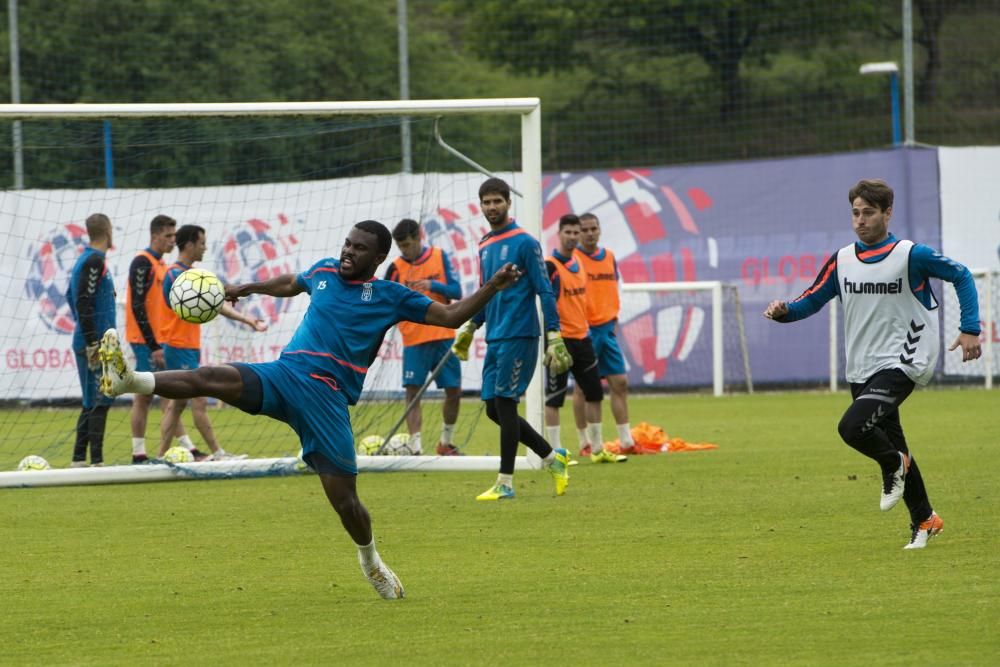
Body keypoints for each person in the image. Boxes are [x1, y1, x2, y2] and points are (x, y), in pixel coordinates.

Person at [98, 219, 522, 599]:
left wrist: (492, 287)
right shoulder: (322, 271)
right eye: (346, 243)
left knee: (345, 502)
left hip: (327, 397)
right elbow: (292, 282)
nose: (347, 252)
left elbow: (450, 316)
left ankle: (371, 561)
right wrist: (248, 288)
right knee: (210, 376)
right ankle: (129, 381)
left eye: (358, 248)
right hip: (285, 374)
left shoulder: (390, 295)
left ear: (377, 257)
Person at [764, 178, 982, 550]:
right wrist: (784, 312)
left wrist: (970, 328)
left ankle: (892, 465)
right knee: (894, 440)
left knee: (852, 428)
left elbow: (960, 274)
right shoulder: (843, 260)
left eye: (868, 212)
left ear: (887, 213)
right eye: (855, 213)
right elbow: (812, 300)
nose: (860, 220)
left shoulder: (911, 254)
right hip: (862, 366)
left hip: (903, 361)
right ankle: (925, 519)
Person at [451, 177, 573, 501]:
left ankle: (505, 482)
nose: (492, 207)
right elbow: (486, 293)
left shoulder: (526, 243)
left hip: (520, 333)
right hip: (495, 335)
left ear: (508, 202)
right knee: (493, 409)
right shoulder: (484, 244)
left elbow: (544, 290)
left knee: (505, 403)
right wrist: (470, 327)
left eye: (497, 201)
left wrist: (554, 333)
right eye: (487, 202)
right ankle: (552, 456)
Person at [157, 224, 267, 461]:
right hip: (176, 344)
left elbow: (213, 301)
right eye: (202, 243)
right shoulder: (176, 274)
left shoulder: (191, 274)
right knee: (196, 400)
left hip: (188, 345)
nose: (205, 248)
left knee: (178, 405)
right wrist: (238, 310)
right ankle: (217, 453)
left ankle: (160, 455)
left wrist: (246, 319)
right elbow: (209, 299)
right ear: (189, 245)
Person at [544, 214, 623, 463]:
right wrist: (551, 337)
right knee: (555, 398)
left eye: (575, 233)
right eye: (567, 232)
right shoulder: (550, 265)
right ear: (559, 234)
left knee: (594, 394)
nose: (573, 237)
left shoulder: (579, 262)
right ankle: (555, 452)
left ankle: (597, 448)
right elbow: (545, 304)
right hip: (560, 340)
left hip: (583, 337)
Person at [384, 218, 463, 456]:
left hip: (443, 335)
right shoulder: (396, 267)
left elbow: (457, 292)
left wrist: (432, 284)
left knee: (454, 390)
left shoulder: (440, 256)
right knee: (413, 393)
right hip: (414, 340)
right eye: (401, 247)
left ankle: (445, 442)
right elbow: (386, 299)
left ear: (419, 237)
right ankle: (416, 446)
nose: (405, 250)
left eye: (408, 244)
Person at [571, 212, 637, 456]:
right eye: (584, 230)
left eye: (593, 229)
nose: (589, 233)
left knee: (619, 383)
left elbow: (613, 287)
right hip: (584, 330)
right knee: (582, 388)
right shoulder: (573, 259)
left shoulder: (609, 256)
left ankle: (627, 441)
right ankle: (585, 442)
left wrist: (614, 317)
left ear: (599, 230)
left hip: (607, 329)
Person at [125, 214, 185, 464]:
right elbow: (137, 305)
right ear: (155, 236)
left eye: (174, 236)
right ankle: (138, 453)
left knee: (167, 392)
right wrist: (152, 345)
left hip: (159, 341)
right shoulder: (142, 261)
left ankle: (186, 446)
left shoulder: (161, 264)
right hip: (144, 342)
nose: (173, 241)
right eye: (169, 236)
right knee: (144, 396)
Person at [66, 213, 116, 467]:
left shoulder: (85, 259)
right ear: (107, 231)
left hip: (95, 341)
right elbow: (82, 300)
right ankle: (95, 462)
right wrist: (92, 342)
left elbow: (69, 296)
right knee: (98, 400)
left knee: (95, 399)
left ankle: (79, 460)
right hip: (96, 344)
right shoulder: (94, 260)